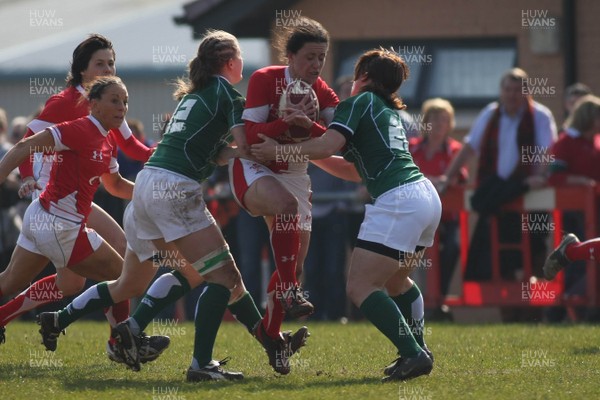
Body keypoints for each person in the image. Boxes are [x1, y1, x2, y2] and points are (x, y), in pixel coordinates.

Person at [37, 30, 307, 381]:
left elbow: (223, 151)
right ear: (231, 62)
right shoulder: (228, 94)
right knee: (224, 278)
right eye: (240, 55)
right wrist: (290, 130)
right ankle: (200, 364)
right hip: (175, 189)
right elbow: (249, 143)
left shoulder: (194, 94)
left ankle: (61, 319)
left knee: (136, 283)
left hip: (149, 186)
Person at [252, 48, 441, 381]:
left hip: (399, 199)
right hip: (423, 196)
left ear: (363, 77)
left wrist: (278, 149)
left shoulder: (359, 102)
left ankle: (412, 353)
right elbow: (353, 170)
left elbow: (327, 145)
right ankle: (418, 350)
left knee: (360, 286)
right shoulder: (385, 109)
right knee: (397, 281)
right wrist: (311, 132)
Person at [0, 34, 155, 357]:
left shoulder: (109, 110)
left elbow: (131, 153)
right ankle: (123, 342)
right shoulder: (70, 105)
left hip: (63, 204)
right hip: (54, 202)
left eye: (111, 63)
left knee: (62, 283)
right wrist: (26, 177)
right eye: (100, 63)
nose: (107, 68)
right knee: (122, 272)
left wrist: (165, 162)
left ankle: (119, 339)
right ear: (82, 70)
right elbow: (26, 143)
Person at [228, 16, 338, 352]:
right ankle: (290, 291)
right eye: (309, 57)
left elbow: (338, 142)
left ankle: (273, 338)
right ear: (289, 56)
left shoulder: (323, 91)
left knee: (295, 264)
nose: (316, 64)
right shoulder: (266, 79)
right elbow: (248, 138)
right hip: (255, 167)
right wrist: (284, 125)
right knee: (287, 212)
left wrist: (309, 125)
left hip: (294, 173)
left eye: (321, 57)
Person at [437, 68, 557, 283]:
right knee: (500, 259)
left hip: (530, 195)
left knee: (535, 254)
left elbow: (547, 151)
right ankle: (508, 312)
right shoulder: (490, 114)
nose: (511, 95)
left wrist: (538, 177)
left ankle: (536, 312)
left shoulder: (540, 116)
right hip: (499, 197)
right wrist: (447, 177)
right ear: (501, 91)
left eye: (517, 90)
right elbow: (469, 147)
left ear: (526, 92)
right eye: (507, 89)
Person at [409, 98, 466, 320]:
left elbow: (460, 181)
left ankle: (437, 299)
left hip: (447, 217)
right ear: (426, 121)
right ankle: (416, 306)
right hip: (416, 217)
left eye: (444, 120)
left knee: (453, 247)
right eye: (434, 119)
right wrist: (433, 181)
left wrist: (444, 181)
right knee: (410, 258)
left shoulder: (455, 151)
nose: (439, 124)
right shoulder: (412, 147)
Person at [544, 95, 600, 282]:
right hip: (573, 211)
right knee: (580, 268)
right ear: (590, 119)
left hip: (595, 208)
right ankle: (566, 307)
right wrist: (581, 180)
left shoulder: (595, 142)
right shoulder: (566, 142)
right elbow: (554, 176)